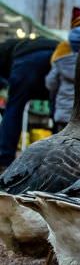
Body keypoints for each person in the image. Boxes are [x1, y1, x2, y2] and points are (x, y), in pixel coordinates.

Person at [0, 37, 58, 169]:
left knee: (14, 108)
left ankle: (5, 158)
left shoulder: (3, 50)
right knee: (59, 111)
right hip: (57, 56)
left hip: (28, 61)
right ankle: (57, 160)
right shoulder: (18, 44)